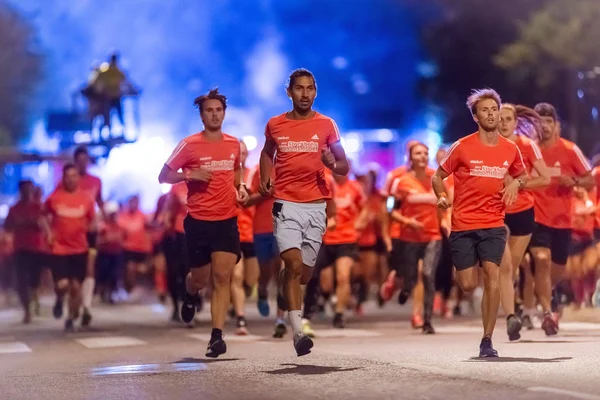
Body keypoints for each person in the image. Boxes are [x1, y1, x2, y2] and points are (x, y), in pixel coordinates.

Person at [258, 68, 349, 356]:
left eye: (310, 88)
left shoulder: (327, 125)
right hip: (286, 204)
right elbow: (266, 152)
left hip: (316, 207)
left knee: (304, 275)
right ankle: (297, 332)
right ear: (289, 92)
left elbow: (345, 167)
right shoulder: (275, 124)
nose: (305, 94)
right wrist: (265, 176)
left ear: (316, 92)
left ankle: (287, 288)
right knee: (294, 265)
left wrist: (331, 163)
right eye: (299, 88)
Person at [431, 88, 527, 357]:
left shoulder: (510, 149)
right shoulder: (462, 146)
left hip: (494, 223)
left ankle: (487, 340)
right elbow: (438, 176)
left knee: (492, 274)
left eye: (494, 109)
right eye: (484, 110)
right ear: (475, 116)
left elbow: (523, 175)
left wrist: (515, 185)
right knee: (468, 284)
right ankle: (463, 278)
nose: (491, 114)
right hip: (463, 224)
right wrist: (440, 196)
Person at [158, 88, 249, 358]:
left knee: (222, 277)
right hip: (198, 222)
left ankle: (216, 337)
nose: (214, 114)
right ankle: (190, 294)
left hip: (227, 220)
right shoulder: (189, 145)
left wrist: (241, 188)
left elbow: (236, 173)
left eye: (218, 110)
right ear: (201, 115)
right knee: (200, 278)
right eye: (209, 110)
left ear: (224, 113)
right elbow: (163, 176)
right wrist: (190, 173)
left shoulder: (234, 144)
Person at [529, 103, 595, 335]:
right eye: (540, 121)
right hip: (536, 217)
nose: (544, 126)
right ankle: (548, 311)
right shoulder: (529, 150)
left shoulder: (569, 149)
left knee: (557, 271)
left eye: (548, 122)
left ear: (556, 125)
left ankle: (552, 295)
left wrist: (574, 181)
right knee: (541, 258)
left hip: (562, 220)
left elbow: (590, 180)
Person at [498, 104, 550, 340]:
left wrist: (518, 183)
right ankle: (511, 317)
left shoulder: (527, 145)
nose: (504, 123)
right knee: (503, 266)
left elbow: (545, 178)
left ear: (515, 121)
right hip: (495, 211)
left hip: (522, 210)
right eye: (500, 119)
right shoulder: (488, 145)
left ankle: (514, 305)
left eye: (508, 119)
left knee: (514, 267)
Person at [390, 142, 443, 334]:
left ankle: (427, 320)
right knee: (411, 277)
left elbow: (445, 202)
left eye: (425, 153)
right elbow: (391, 211)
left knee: (428, 275)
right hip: (409, 237)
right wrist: (407, 221)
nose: (422, 156)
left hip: (432, 236)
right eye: (418, 153)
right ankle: (405, 287)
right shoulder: (401, 181)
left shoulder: (436, 178)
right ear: (410, 157)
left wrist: (446, 221)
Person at [312, 171, 368, 329]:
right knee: (326, 282)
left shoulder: (355, 187)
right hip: (327, 239)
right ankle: (327, 298)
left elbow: (365, 209)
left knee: (343, 276)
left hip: (347, 240)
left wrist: (359, 224)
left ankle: (339, 314)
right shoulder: (324, 186)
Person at [45, 164, 95, 331]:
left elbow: (92, 221)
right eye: (68, 176)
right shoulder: (54, 198)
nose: (71, 179)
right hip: (59, 249)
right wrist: (48, 233)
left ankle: (71, 317)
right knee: (62, 285)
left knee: (75, 286)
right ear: (63, 178)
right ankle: (59, 299)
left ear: (77, 178)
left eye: (74, 176)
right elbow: (42, 216)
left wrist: (93, 238)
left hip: (79, 249)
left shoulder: (86, 199)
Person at [4, 180, 48, 323]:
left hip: (37, 248)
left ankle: (34, 295)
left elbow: (45, 225)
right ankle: (27, 309)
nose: (27, 192)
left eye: (29, 189)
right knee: (21, 280)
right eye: (24, 189)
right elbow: (7, 227)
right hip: (20, 249)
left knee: (35, 279)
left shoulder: (39, 207)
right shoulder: (14, 209)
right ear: (20, 191)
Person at [72, 146, 104, 328]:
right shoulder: (69, 181)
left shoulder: (96, 181)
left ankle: (87, 307)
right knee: (75, 273)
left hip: (91, 230)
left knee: (90, 266)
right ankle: (74, 302)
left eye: (86, 160)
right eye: (80, 161)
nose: (83, 164)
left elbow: (99, 200)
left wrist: (104, 216)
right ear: (75, 162)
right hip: (72, 233)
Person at [231, 140, 259, 335]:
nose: (241, 155)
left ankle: (239, 301)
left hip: (254, 233)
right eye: (237, 152)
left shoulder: (254, 174)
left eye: (243, 152)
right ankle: (241, 318)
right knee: (236, 276)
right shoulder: (226, 177)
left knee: (250, 281)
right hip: (233, 232)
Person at [118, 195, 152, 295]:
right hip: (128, 249)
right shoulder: (123, 216)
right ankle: (129, 290)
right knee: (130, 268)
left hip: (142, 250)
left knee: (141, 268)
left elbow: (150, 228)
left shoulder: (143, 216)